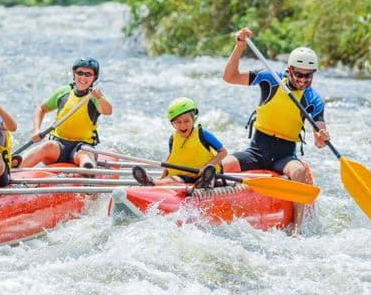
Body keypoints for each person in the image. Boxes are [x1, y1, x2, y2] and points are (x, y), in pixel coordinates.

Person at [221, 27, 330, 233]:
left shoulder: (313, 100)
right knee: (219, 167)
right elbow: (230, 77)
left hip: (284, 156)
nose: (303, 80)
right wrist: (240, 46)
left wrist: (322, 136)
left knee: (298, 171)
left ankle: (296, 229)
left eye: (309, 76)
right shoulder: (270, 79)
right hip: (256, 150)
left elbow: (319, 141)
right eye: (299, 74)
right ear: (289, 70)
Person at [13, 57, 112, 169]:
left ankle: (88, 171)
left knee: (85, 155)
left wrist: (100, 98)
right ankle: (14, 169)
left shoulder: (94, 97)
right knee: (47, 146)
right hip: (58, 146)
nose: (83, 77)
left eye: (88, 74)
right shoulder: (64, 92)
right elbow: (41, 109)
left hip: (82, 146)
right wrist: (36, 130)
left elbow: (108, 111)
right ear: (74, 74)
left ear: (94, 78)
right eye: (80, 73)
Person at [132, 97, 227, 187]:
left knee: (212, 178)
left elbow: (223, 152)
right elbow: (171, 160)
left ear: (193, 119)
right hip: (184, 175)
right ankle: (151, 183)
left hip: (205, 173)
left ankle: (204, 183)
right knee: (171, 180)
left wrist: (206, 167)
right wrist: (161, 178)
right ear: (172, 123)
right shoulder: (173, 138)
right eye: (178, 122)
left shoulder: (203, 134)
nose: (182, 126)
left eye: (186, 121)